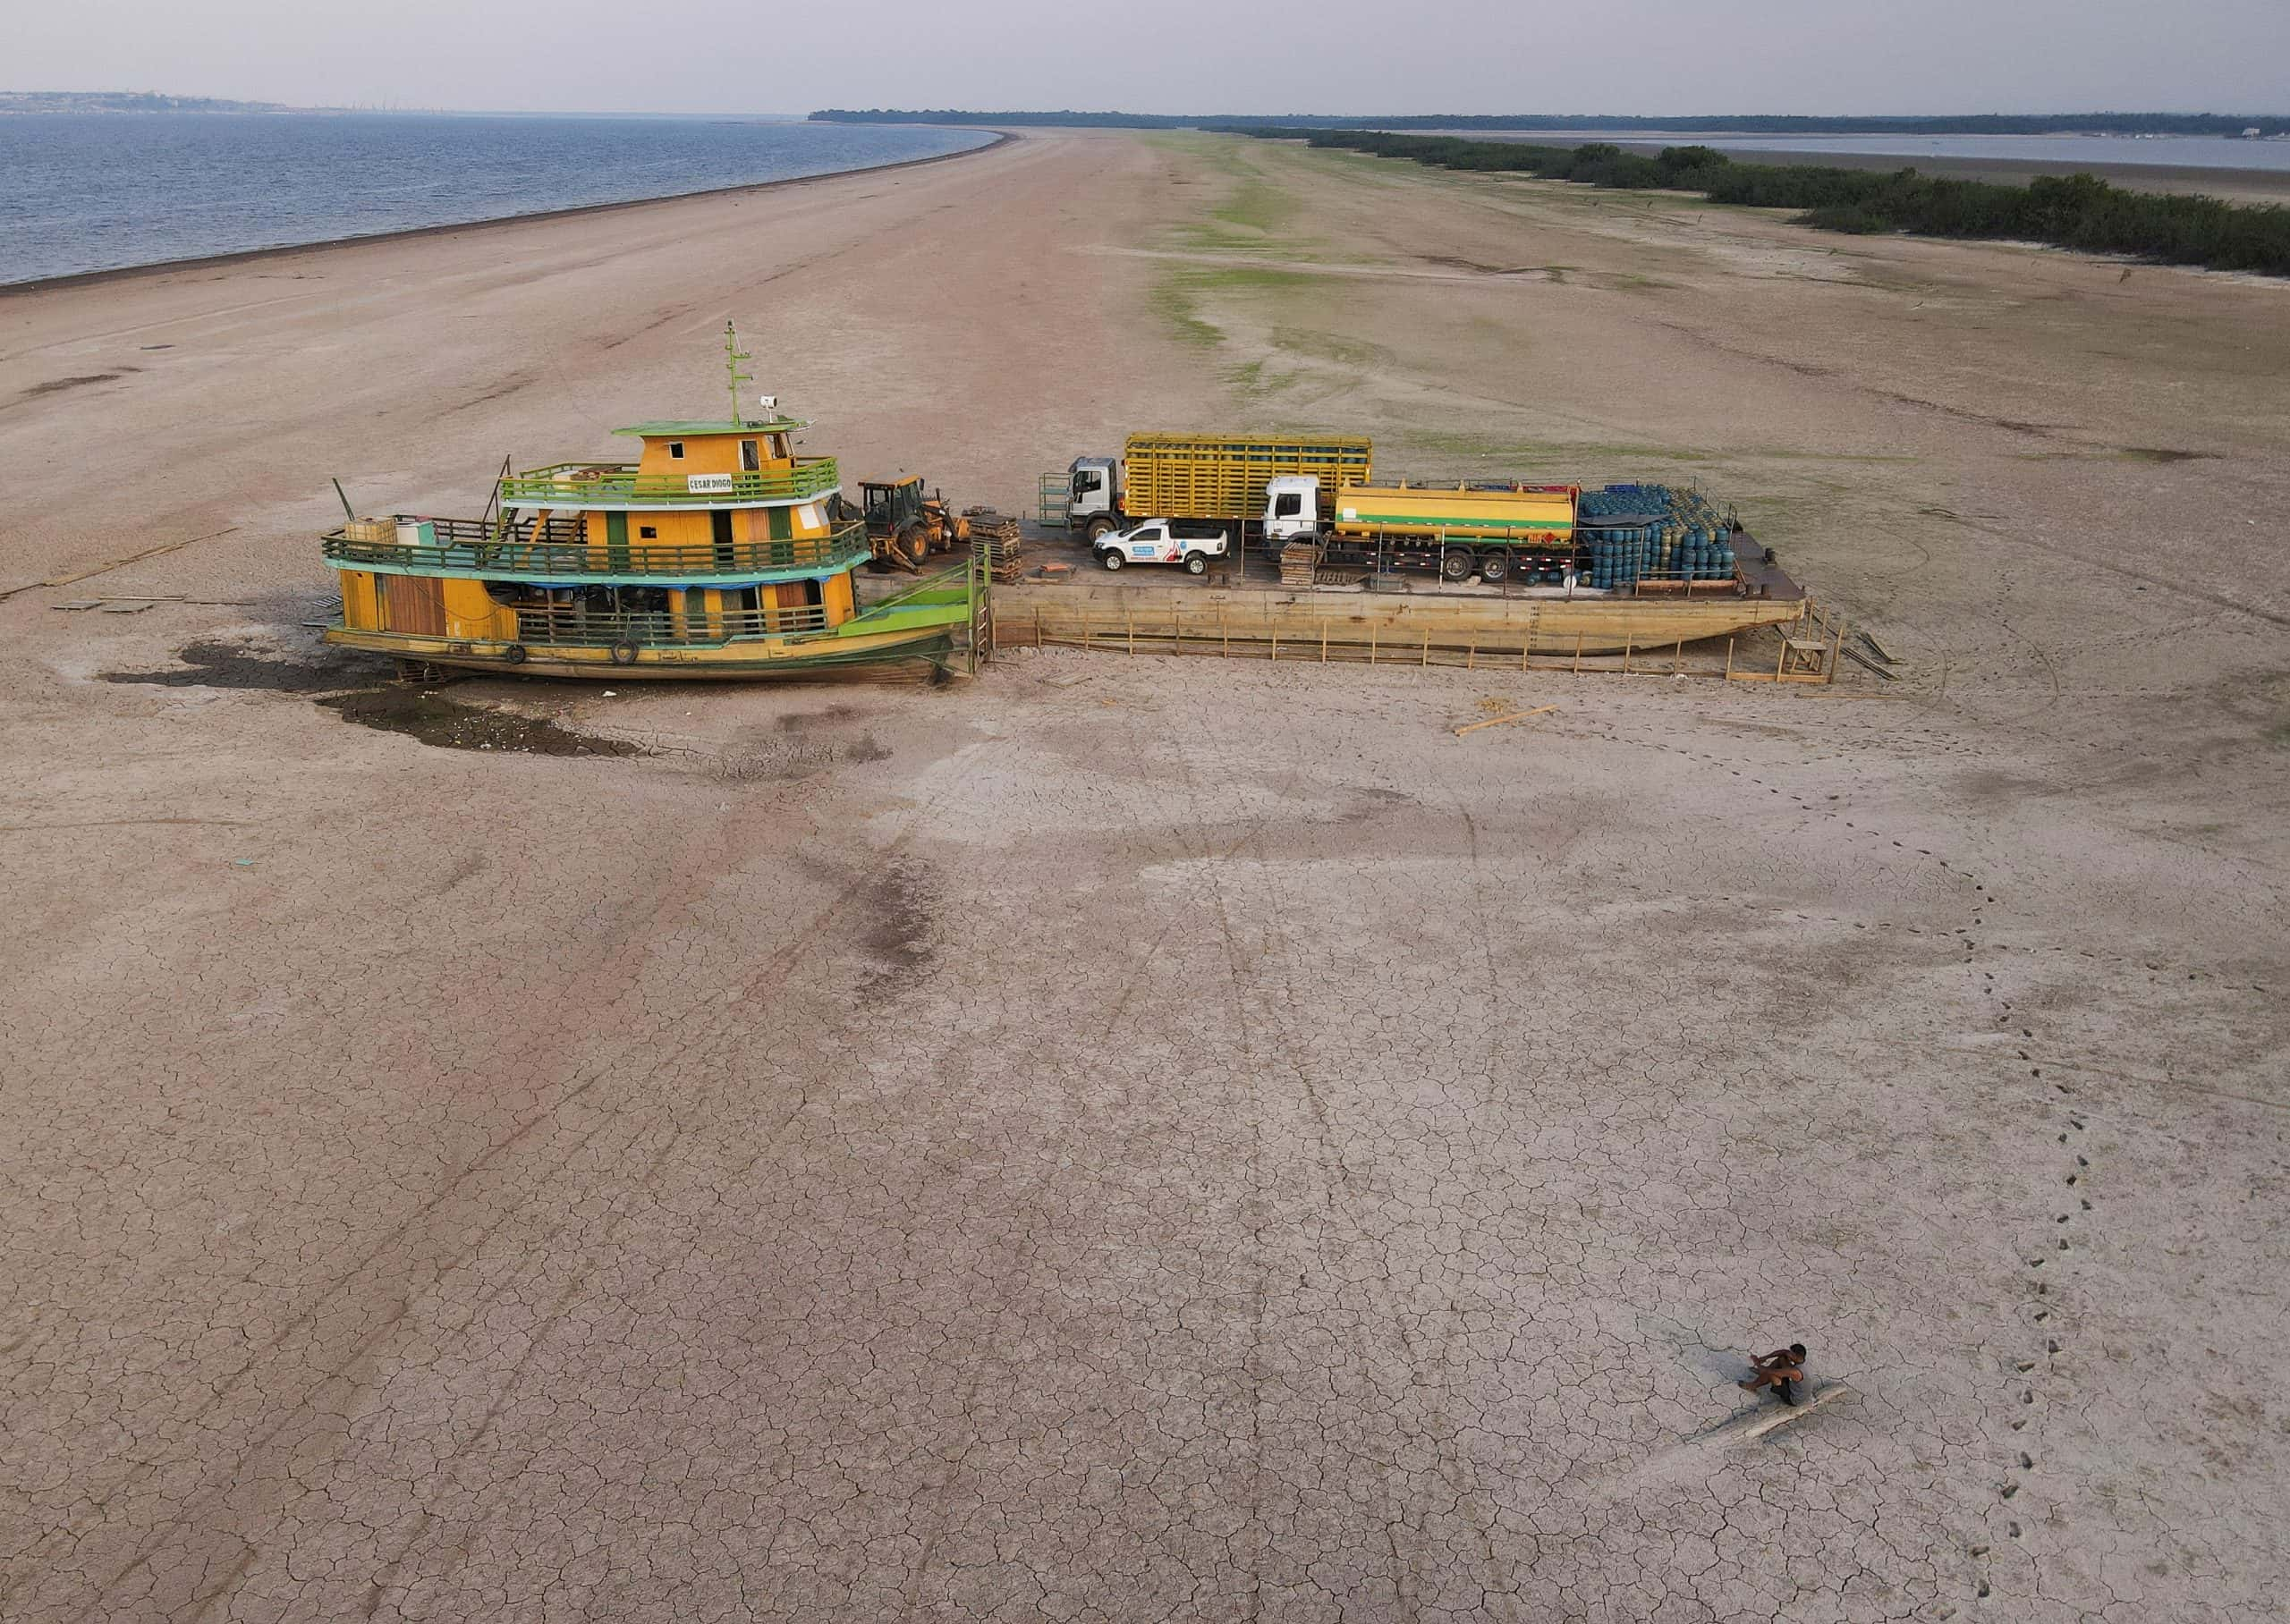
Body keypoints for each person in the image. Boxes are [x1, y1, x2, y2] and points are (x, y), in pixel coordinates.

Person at [1739, 1343, 1808, 1405]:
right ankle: (1761, 1374)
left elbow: (1770, 1371)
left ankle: (1752, 1386)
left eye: (1790, 1353)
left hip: (1793, 1398)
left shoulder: (1795, 1372)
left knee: (1770, 1374)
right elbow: (1783, 1352)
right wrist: (1765, 1357)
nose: (1788, 1353)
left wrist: (1757, 1362)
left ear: (1795, 1356)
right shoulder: (1802, 1361)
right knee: (1782, 1358)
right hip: (1797, 1388)